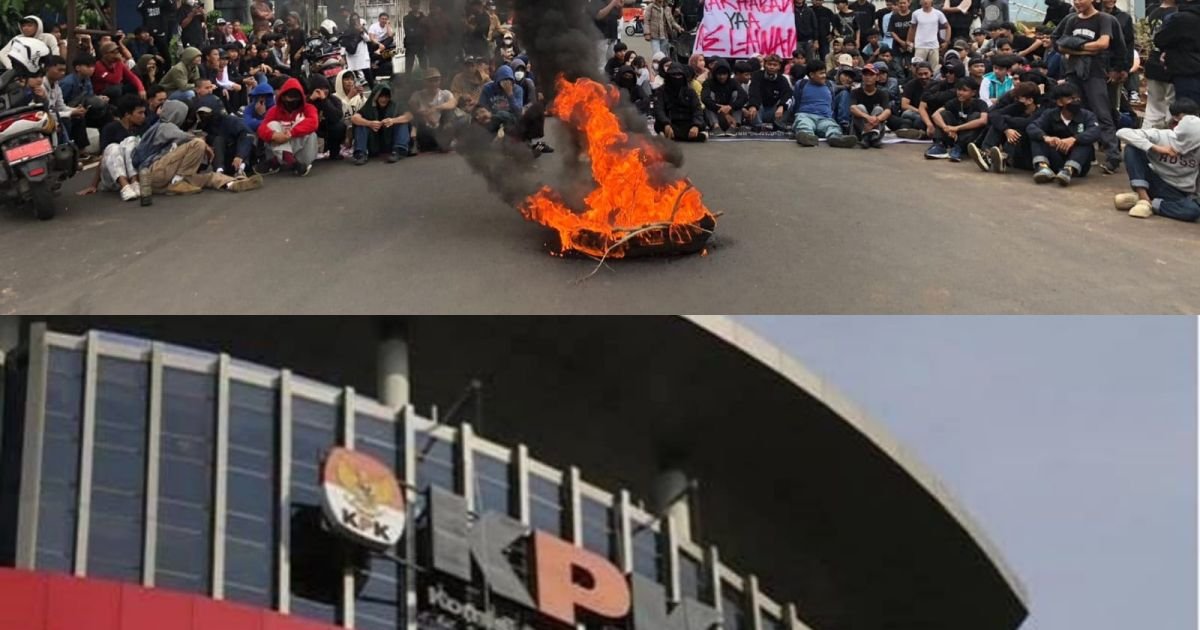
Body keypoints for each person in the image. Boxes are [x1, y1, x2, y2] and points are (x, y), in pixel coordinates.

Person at [1052, 0, 1124, 174]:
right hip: (1073, 72)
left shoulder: (1104, 19)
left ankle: (1113, 156)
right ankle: (1081, 154)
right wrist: (1085, 50)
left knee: (1102, 114)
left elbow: (1103, 44)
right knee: (1074, 112)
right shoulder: (1071, 20)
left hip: (1096, 73)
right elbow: (1060, 45)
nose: (1078, 2)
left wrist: (1074, 47)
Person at [133, 100, 261, 194]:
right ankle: (177, 183)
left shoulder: (228, 121)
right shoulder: (163, 126)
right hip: (152, 172)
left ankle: (232, 183)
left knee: (208, 177)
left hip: (165, 177)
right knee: (197, 143)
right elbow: (185, 137)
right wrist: (203, 144)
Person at [1114, 98, 1200, 220]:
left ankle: (1147, 202)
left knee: (1192, 211)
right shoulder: (1163, 135)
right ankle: (1143, 197)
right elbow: (1122, 132)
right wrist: (1156, 148)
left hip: (1178, 191)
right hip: (1156, 180)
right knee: (1132, 148)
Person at [1026, 83, 1100, 186]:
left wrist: (1074, 139)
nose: (1075, 101)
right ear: (1060, 102)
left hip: (1079, 162)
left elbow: (1095, 131)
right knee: (1037, 137)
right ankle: (1043, 168)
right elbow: (1032, 127)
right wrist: (1047, 138)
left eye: (1076, 98)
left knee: (1085, 143)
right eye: (1070, 98)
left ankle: (1068, 170)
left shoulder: (1087, 115)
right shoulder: (1050, 114)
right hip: (1056, 157)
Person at [77, 95, 147, 200]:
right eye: (140, 113)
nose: (143, 116)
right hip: (112, 178)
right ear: (127, 114)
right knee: (113, 147)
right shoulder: (110, 128)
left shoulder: (142, 127)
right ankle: (125, 187)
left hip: (135, 174)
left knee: (131, 141)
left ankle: (134, 182)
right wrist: (93, 185)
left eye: (144, 113)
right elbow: (104, 156)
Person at [969, 81, 1041, 172]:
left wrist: (1007, 120)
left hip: (1026, 154)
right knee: (999, 125)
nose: (1017, 100)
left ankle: (1003, 158)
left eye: (1019, 98)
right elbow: (994, 114)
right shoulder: (1018, 106)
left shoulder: (1040, 112)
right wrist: (1006, 129)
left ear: (1030, 100)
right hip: (1014, 147)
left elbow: (1025, 123)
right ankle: (986, 153)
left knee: (1016, 130)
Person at [257, 77, 320, 176]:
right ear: (282, 96)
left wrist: (291, 132)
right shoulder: (274, 110)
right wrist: (274, 135)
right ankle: (291, 161)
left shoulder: (309, 108)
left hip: (301, 151)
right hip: (279, 145)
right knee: (272, 125)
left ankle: (277, 161)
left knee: (309, 130)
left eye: (296, 96)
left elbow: (313, 122)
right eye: (290, 96)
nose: (293, 99)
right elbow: (262, 128)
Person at [790, 60, 859, 147]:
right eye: (821, 73)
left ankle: (836, 139)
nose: (824, 76)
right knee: (804, 124)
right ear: (811, 75)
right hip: (806, 115)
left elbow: (832, 103)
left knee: (832, 127)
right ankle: (807, 137)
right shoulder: (801, 84)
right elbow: (795, 102)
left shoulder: (829, 85)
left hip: (824, 118)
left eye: (825, 73)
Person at [1153, 0, 1200, 113]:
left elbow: (1160, 39)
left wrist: (1167, 51)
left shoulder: (1180, 18)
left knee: (1187, 112)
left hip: (1185, 68)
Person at [925, 78, 987, 160]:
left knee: (976, 116)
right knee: (944, 114)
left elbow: (983, 121)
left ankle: (959, 148)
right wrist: (945, 128)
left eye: (964, 90)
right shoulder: (954, 102)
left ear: (973, 93)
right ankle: (940, 145)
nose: (960, 93)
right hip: (953, 135)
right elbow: (935, 115)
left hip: (969, 138)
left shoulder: (980, 104)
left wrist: (957, 128)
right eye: (959, 90)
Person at [351, 82, 413, 163]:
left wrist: (393, 121)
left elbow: (409, 115)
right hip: (374, 142)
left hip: (391, 140)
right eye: (381, 96)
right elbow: (354, 118)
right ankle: (361, 153)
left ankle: (399, 151)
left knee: (402, 122)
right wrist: (369, 123)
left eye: (386, 97)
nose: (384, 99)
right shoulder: (369, 106)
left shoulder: (396, 105)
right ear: (376, 96)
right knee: (361, 124)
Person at [409, 67, 464, 152]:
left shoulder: (445, 94)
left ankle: (447, 141)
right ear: (425, 82)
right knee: (414, 117)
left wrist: (435, 108)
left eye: (436, 80)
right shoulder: (417, 95)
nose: (433, 83)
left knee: (450, 112)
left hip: (440, 129)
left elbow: (452, 103)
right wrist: (424, 114)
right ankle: (414, 143)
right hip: (425, 131)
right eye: (430, 81)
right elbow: (412, 107)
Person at [1142, 0, 1177, 129]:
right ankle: (1167, 139)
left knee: (1153, 108)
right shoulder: (1176, 13)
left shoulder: (1152, 12)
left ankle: (1147, 140)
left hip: (1152, 62)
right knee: (1171, 107)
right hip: (1169, 64)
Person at [653, 62, 707, 141]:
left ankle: (673, 136)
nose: (676, 78)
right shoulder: (661, 91)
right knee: (658, 125)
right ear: (668, 76)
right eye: (673, 75)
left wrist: (696, 125)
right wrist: (666, 124)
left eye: (679, 75)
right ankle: (688, 136)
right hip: (670, 122)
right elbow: (659, 109)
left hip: (688, 122)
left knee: (701, 124)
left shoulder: (690, 91)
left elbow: (697, 110)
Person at [702, 59, 749, 134]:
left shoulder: (733, 82)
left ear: (728, 74)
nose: (722, 77)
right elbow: (705, 98)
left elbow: (744, 97)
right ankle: (715, 126)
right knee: (710, 97)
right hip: (715, 113)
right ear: (715, 74)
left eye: (724, 74)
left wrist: (730, 107)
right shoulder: (708, 83)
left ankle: (734, 126)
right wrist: (721, 108)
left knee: (736, 94)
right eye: (719, 74)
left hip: (731, 114)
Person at [747, 54, 793, 130]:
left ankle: (779, 124)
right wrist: (753, 105)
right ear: (765, 64)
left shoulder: (782, 79)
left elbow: (787, 94)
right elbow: (753, 92)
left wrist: (782, 106)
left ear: (779, 67)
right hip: (759, 109)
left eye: (775, 65)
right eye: (769, 64)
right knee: (753, 104)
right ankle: (757, 125)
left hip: (774, 111)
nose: (772, 67)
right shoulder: (757, 75)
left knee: (789, 103)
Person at [850, 64, 891, 147]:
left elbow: (888, 111)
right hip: (861, 127)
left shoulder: (882, 93)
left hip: (876, 126)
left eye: (871, 75)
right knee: (860, 107)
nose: (868, 77)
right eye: (865, 75)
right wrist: (867, 117)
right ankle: (866, 136)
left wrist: (876, 119)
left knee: (879, 109)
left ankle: (872, 136)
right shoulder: (855, 92)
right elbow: (852, 108)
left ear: (877, 77)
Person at [907, 0, 948, 73]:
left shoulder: (938, 13)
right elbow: (912, 28)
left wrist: (946, 41)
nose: (925, 1)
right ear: (920, 2)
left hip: (934, 45)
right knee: (917, 68)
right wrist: (909, 41)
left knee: (935, 70)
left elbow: (947, 26)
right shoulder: (916, 13)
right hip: (920, 45)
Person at [895, 60, 933, 136]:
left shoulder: (937, 85)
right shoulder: (910, 85)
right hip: (915, 112)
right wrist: (920, 111)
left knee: (914, 121)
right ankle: (909, 132)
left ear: (931, 72)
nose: (923, 77)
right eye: (920, 74)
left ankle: (914, 132)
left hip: (930, 115)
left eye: (926, 74)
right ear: (916, 74)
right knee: (906, 115)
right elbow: (904, 105)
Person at [589, 0, 625, 68]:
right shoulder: (596, 2)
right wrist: (612, 3)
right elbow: (598, 16)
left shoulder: (612, 2)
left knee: (611, 61)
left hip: (612, 36)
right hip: (600, 37)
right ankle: (601, 78)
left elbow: (619, 16)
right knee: (601, 63)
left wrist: (620, 7)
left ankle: (609, 77)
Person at [404, 2, 428, 74]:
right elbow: (408, 31)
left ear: (419, 5)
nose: (415, 6)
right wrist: (419, 31)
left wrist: (415, 31)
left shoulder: (424, 17)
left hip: (422, 44)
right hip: (410, 44)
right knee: (409, 66)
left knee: (424, 66)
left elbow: (426, 30)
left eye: (416, 3)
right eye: (414, 4)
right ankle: (407, 82)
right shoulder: (406, 18)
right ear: (410, 6)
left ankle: (424, 81)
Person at [888, 0, 914, 67]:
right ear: (897, 4)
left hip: (911, 45)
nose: (902, 5)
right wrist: (901, 42)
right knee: (897, 66)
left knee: (910, 66)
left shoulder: (913, 15)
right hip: (897, 45)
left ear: (908, 3)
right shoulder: (894, 16)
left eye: (904, 3)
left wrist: (908, 42)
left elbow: (916, 30)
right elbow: (891, 31)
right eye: (900, 3)